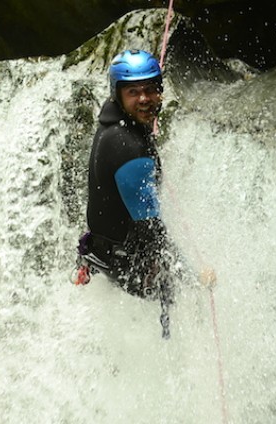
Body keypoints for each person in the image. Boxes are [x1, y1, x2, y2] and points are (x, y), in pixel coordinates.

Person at [73, 48, 175, 336]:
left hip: (103, 253)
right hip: (125, 267)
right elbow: (150, 228)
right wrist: (186, 273)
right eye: (133, 92)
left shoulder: (113, 125)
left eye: (150, 89)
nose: (144, 99)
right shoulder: (128, 149)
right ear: (117, 94)